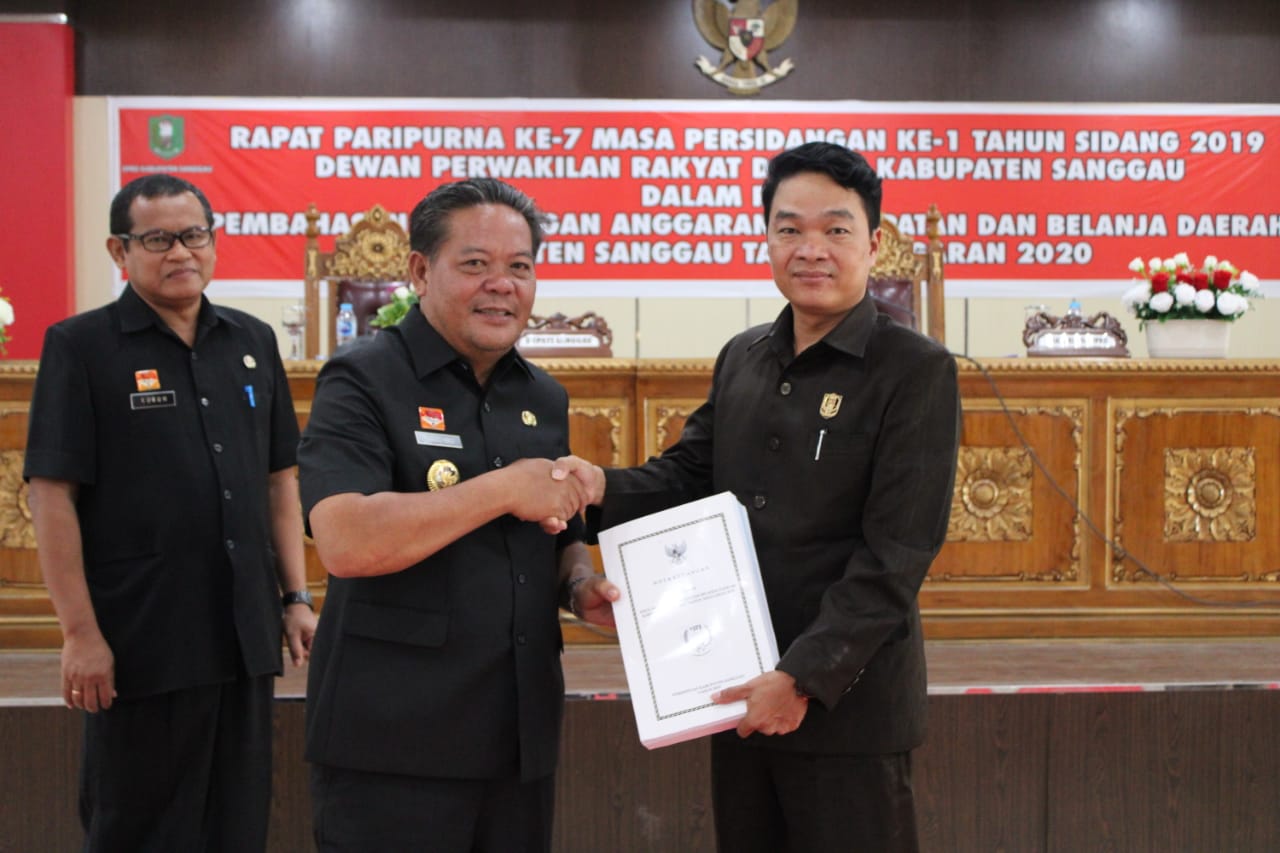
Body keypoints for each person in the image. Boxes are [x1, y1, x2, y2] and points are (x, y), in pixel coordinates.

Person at [556, 141, 961, 852]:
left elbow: (894, 557)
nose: (811, 249)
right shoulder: (744, 355)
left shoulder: (915, 370)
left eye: (835, 229)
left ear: (874, 242)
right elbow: (686, 474)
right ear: (766, 238)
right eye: (789, 228)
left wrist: (800, 677)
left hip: (846, 706)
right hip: (738, 684)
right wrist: (597, 490)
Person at [298, 177, 617, 852]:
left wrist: (582, 586)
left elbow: (560, 530)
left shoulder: (543, 395)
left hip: (518, 743)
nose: (502, 284)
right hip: (394, 747)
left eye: (520, 267)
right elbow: (346, 540)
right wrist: (502, 488)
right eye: (475, 264)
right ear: (420, 269)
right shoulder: (361, 378)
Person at [24, 173, 317, 852]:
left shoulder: (251, 340)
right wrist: (79, 634)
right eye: (158, 238)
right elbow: (51, 493)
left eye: (194, 235)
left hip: (242, 635)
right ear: (119, 251)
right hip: (140, 639)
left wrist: (296, 595)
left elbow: (280, 479)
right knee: (140, 829)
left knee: (236, 825)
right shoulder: (82, 347)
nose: (181, 251)